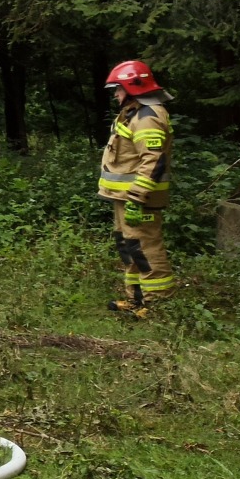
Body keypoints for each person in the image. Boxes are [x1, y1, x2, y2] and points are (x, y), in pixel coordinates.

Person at [98, 60, 174, 316]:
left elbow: (153, 160)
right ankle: (137, 300)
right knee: (131, 247)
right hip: (125, 197)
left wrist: (137, 197)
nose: (116, 94)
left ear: (132, 87)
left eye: (118, 89)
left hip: (138, 198)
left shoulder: (147, 117)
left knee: (146, 248)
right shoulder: (134, 112)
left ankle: (158, 304)